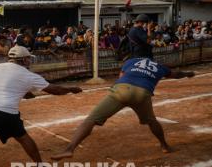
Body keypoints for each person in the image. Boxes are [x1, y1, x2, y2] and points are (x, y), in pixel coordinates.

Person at [51, 57, 195, 161]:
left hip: (121, 90)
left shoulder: (130, 61)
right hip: (142, 93)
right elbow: (176, 75)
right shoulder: (160, 66)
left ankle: (69, 149)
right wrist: (188, 74)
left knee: (91, 120)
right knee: (152, 121)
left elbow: (121, 77)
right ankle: (164, 146)